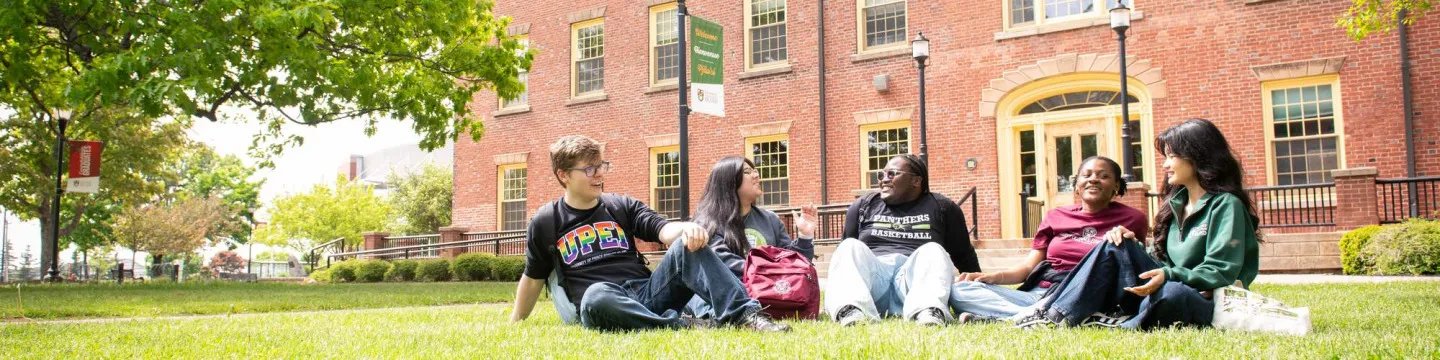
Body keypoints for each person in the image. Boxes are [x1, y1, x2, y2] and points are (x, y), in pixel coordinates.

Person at [508, 135, 789, 332]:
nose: (599, 174)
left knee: (686, 246)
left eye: (602, 166)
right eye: (590, 169)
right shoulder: (547, 221)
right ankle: (683, 324)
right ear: (563, 175)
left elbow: (662, 230)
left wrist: (685, 229)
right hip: (605, 303)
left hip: (647, 292)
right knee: (596, 295)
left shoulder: (620, 205)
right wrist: (515, 323)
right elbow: (533, 277)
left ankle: (746, 317)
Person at [1015, 118, 1261, 330]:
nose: (1165, 165)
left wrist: (1169, 274)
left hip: (1204, 296)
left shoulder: (1225, 205)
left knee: (1173, 294)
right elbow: (1160, 261)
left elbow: (1221, 271)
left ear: (1198, 157)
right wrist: (1133, 246)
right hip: (1169, 285)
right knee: (1116, 242)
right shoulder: (1175, 204)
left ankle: (1111, 319)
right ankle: (1055, 314)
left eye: (1172, 156)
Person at [949, 156, 1148, 323]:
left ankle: (1023, 316)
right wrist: (992, 277)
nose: (1093, 180)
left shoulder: (1132, 219)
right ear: (1076, 185)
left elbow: (1132, 266)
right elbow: (1028, 267)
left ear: (1116, 186)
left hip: (1088, 294)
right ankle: (1034, 315)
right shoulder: (1055, 216)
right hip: (1041, 293)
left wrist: (1129, 242)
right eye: (1086, 175)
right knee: (960, 291)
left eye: (1103, 176)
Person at [825, 154, 981, 326]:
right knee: (848, 246)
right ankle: (852, 310)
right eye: (881, 175)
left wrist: (980, 290)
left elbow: (963, 254)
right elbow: (846, 260)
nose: (884, 179)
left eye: (892, 174)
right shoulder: (863, 205)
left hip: (913, 283)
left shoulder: (943, 207)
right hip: (875, 282)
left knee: (934, 250)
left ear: (916, 181)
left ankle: (929, 311)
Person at [686, 156, 818, 317]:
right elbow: (721, 263)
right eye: (747, 172)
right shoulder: (707, 222)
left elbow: (794, 265)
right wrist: (769, 272)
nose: (756, 175)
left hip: (766, 293)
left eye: (755, 170)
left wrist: (805, 236)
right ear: (728, 181)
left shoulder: (770, 219)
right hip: (726, 294)